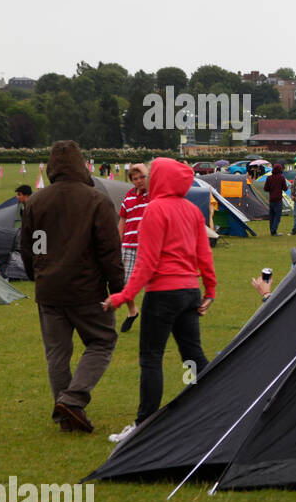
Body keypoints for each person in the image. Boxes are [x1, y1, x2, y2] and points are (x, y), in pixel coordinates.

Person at [102, 158, 215, 441]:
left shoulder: (154, 209)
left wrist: (124, 296)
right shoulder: (192, 210)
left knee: (151, 359)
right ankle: (212, 412)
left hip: (163, 295)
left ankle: (144, 425)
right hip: (189, 293)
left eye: (151, 175)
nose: (147, 179)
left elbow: (147, 262)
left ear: (161, 178)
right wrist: (210, 290)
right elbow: (205, 255)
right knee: (193, 356)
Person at [21, 141, 125, 433]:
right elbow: (109, 251)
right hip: (87, 290)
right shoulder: (96, 201)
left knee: (57, 353)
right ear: (82, 165)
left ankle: (66, 412)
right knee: (102, 341)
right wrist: (118, 288)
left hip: (49, 289)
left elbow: (30, 247)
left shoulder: (36, 202)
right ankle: (73, 400)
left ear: (52, 167)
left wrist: (37, 275)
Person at [117, 163, 150, 326]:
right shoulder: (128, 196)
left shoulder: (153, 194)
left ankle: (158, 317)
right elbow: (122, 221)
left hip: (148, 247)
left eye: (142, 177)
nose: (139, 181)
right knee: (124, 284)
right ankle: (132, 311)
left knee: (155, 285)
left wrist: (145, 171)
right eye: (135, 179)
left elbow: (152, 180)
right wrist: (118, 242)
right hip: (128, 246)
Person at [264, 161, 287, 235]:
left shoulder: (269, 178)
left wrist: (271, 189)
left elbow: (265, 188)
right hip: (278, 199)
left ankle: (272, 231)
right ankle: (274, 230)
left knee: (272, 216)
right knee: (277, 216)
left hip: (271, 199)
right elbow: (285, 188)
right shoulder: (281, 178)